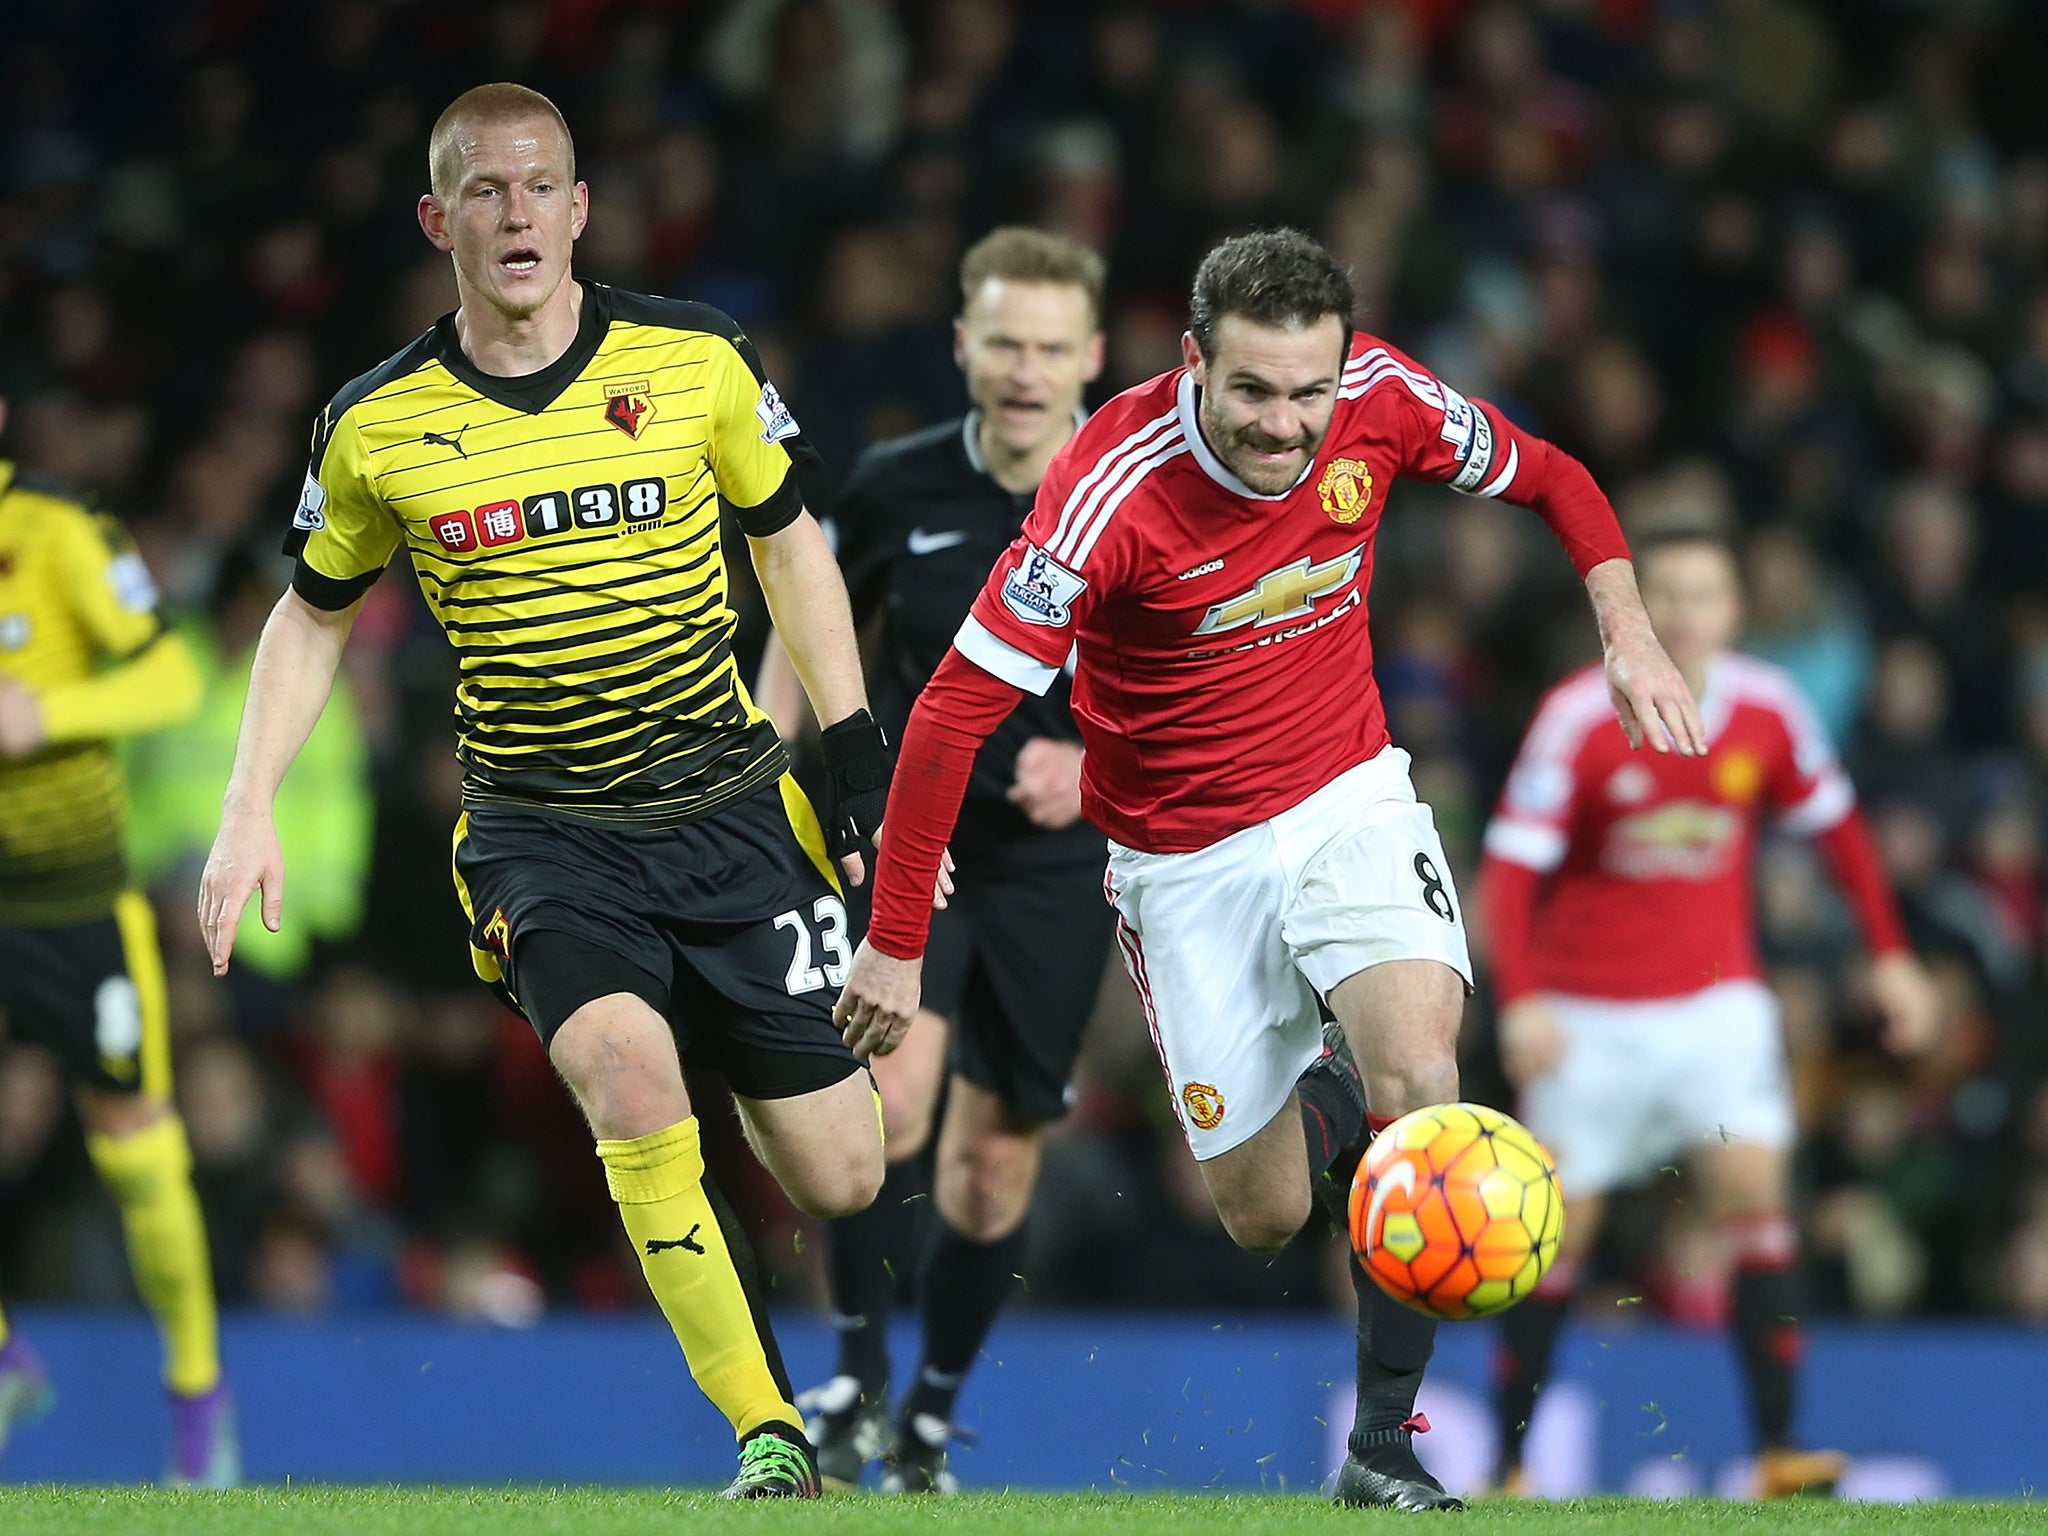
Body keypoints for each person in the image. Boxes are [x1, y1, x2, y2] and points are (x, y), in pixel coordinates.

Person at [831, 227, 1706, 1511]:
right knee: (1260, 1215)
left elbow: (1554, 479)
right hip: (1180, 862)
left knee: (1422, 1071)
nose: (1284, 426)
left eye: (1307, 392)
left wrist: (1625, 636)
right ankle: (1345, 1102)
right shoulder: (1103, 492)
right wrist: (896, 938)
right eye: (1249, 391)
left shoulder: (1385, 399)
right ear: (1193, 361)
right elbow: (951, 713)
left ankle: (1379, 1447)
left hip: (1345, 795)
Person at [196, 83, 922, 1500]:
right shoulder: (377, 426)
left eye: (542, 186)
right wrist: (246, 802)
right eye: (485, 189)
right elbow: (310, 614)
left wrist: (852, 754)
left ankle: (729, 1038)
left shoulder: (698, 361)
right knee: (625, 1075)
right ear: (437, 218)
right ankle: (768, 1433)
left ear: (582, 210)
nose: (517, 211)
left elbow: (793, 548)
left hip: (726, 806)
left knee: (844, 1172)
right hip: (545, 833)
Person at [756, 227, 1118, 1492]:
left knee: (991, 1159)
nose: (1025, 370)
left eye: (1050, 348)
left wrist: (1092, 764)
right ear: (965, 345)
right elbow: (811, 635)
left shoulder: (1130, 504)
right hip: (912, 843)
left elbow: (1195, 689)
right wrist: (770, 780)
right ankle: (853, 1374)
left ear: (1093, 358)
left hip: (1062, 869)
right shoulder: (894, 488)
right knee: (890, 1094)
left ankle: (926, 1418)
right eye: (1004, 342)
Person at [1478, 527, 1940, 1499]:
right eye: (1667, 595)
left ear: (1735, 611)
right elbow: (1511, 870)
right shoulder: (1575, 715)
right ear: (1636, 612)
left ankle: (1777, 1451)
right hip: (1584, 1015)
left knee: (1754, 1195)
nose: (1685, 614)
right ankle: (1512, 1467)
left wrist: (1889, 957)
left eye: (1705, 594)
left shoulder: (1767, 710)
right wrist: (1517, 1004)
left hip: (1713, 1009)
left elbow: (1839, 833)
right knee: (1551, 1236)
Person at [0, 395, 234, 1485]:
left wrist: (47, 714)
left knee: (137, 1152)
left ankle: (197, 1395)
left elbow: (173, 674)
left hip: (78, 902)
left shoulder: (61, 534)